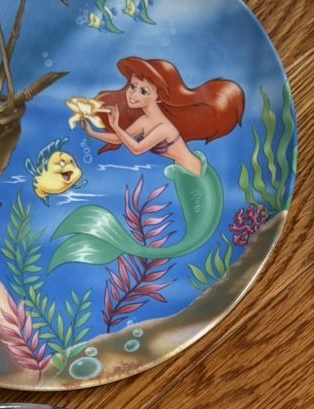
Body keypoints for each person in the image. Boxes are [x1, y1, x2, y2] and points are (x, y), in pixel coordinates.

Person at [56, 56, 245, 265]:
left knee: (193, 238)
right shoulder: (145, 120)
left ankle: (125, 246)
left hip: (193, 176)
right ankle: (124, 246)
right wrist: (93, 132)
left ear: (159, 97)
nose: (133, 94)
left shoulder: (163, 126)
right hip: (184, 173)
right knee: (190, 238)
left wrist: (116, 125)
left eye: (143, 91)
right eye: (133, 86)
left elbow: (136, 149)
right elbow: (120, 139)